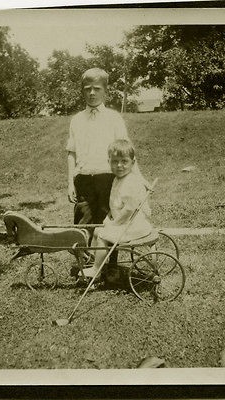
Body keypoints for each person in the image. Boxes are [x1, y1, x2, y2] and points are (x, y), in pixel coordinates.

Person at [66, 67, 147, 227]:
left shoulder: (114, 118)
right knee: (83, 224)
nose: (92, 93)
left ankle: (106, 253)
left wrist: (139, 178)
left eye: (97, 89)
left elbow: (127, 152)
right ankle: (85, 252)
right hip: (83, 180)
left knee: (108, 223)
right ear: (82, 91)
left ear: (105, 91)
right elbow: (71, 153)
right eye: (87, 89)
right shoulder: (77, 120)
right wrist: (70, 183)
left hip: (108, 179)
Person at [81, 139, 152, 278]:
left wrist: (114, 224)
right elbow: (115, 203)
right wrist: (109, 217)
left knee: (102, 235)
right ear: (109, 162)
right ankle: (96, 260)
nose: (119, 165)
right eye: (115, 161)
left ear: (133, 162)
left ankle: (96, 269)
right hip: (126, 223)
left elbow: (129, 209)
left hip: (132, 226)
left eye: (124, 161)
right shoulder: (118, 178)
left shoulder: (131, 182)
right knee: (97, 230)